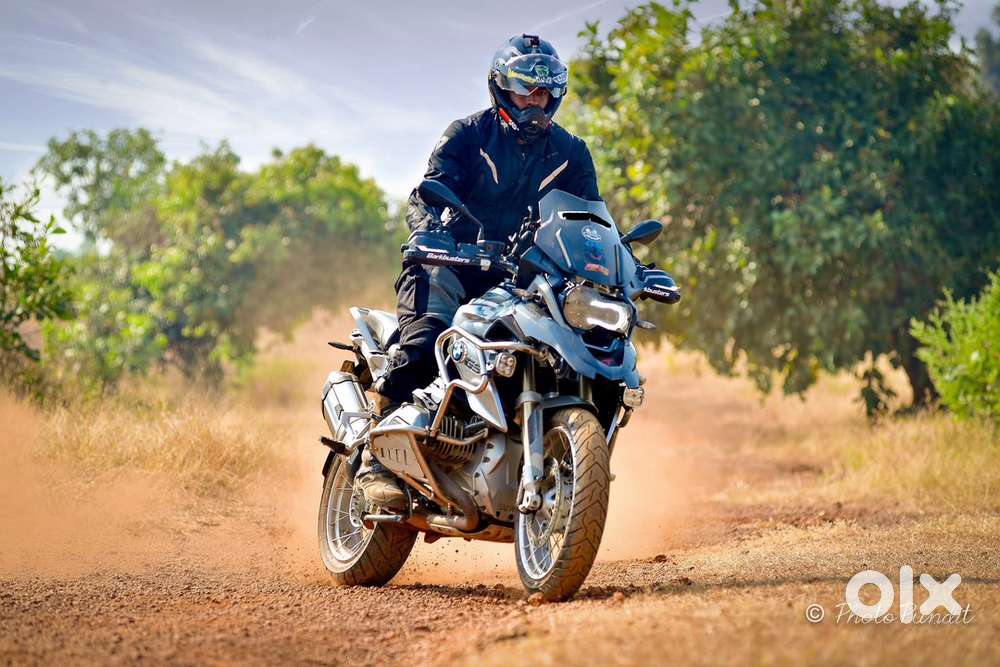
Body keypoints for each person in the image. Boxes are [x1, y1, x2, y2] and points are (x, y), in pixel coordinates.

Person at [358, 34, 602, 507]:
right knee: (427, 340)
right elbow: (427, 194)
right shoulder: (468, 134)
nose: (535, 101)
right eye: (525, 90)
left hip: (519, 279)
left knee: (566, 352)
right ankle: (374, 460)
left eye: (544, 92)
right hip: (449, 263)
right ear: (501, 88)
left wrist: (619, 263)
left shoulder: (571, 152)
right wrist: (430, 234)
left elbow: (590, 218)